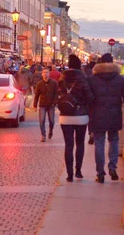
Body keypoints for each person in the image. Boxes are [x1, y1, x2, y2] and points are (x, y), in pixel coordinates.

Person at [88, 53, 124, 183]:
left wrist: (88, 115)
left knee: (99, 143)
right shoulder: (120, 79)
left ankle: (100, 173)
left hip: (97, 115)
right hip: (115, 115)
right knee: (114, 140)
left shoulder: (92, 79)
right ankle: (113, 167)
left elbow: (87, 99)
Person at [58, 54, 93, 182]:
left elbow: (59, 95)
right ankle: (78, 171)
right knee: (80, 143)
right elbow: (90, 97)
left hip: (65, 116)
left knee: (68, 145)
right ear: (79, 66)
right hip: (81, 116)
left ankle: (69, 175)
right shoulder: (83, 79)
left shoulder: (62, 78)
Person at [33, 68, 58, 142]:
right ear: (42, 74)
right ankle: (43, 135)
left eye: (47, 72)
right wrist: (35, 105)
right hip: (42, 105)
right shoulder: (39, 84)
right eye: (44, 72)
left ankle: (50, 130)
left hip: (51, 105)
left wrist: (55, 102)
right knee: (42, 120)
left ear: (49, 74)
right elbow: (37, 95)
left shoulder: (54, 83)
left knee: (52, 121)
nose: (45, 74)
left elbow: (56, 94)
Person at [83, 54, 98, 145]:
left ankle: (91, 133)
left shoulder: (84, 69)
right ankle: (96, 132)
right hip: (98, 95)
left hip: (88, 95)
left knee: (89, 116)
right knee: (97, 115)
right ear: (96, 60)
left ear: (89, 59)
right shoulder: (99, 69)